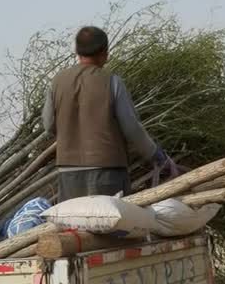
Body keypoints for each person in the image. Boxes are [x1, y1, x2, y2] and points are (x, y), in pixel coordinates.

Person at [42, 25, 178, 202]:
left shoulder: (58, 81)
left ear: (77, 51)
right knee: (110, 225)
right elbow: (131, 129)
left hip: (69, 173)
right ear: (104, 52)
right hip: (107, 173)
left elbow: (48, 124)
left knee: (74, 226)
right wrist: (156, 155)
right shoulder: (112, 82)